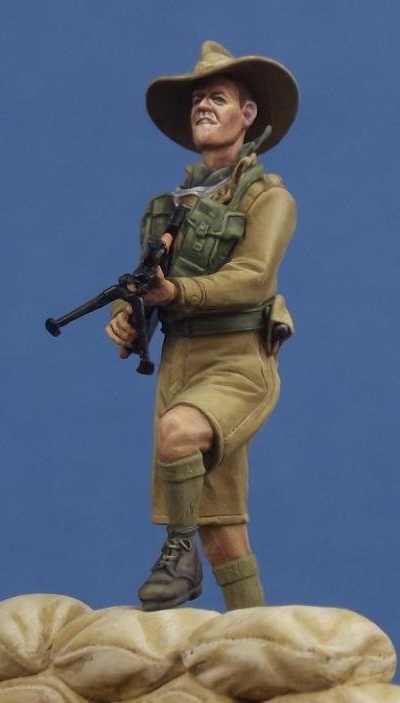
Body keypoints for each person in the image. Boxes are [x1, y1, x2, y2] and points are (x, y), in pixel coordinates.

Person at [105, 41, 299, 611]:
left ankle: (177, 557)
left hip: (237, 361)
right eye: (197, 101)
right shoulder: (171, 207)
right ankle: (255, 635)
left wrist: (179, 293)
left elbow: (253, 277)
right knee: (221, 527)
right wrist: (129, 316)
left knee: (179, 433)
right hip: (179, 364)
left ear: (248, 115)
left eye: (218, 98)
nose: (203, 107)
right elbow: (149, 278)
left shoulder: (268, 198)